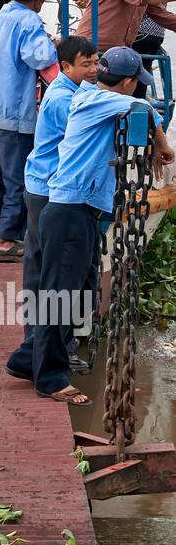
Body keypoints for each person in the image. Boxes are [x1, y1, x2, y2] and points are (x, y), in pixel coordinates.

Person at [25, 47, 173, 404]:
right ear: (127, 82)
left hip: (82, 212)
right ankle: (50, 379)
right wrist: (163, 144)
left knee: (80, 293)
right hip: (70, 211)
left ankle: (24, 359)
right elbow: (146, 108)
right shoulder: (98, 101)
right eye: (137, 83)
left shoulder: (92, 97)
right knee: (58, 298)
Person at [5, 35, 99, 388]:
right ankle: (41, 360)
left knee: (43, 272)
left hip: (40, 187)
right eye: (85, 64)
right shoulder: (65, 101)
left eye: (96, 63)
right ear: (67, 66)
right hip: (51, 193)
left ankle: (33, 350)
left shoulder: (69, 92)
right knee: (59, 279)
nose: (92, 70)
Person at [0, 0, 58, 257]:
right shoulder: (29, 20)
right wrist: (55, 45)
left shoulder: (5, 14)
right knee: (17, 180)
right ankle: (5, 239)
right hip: (13, 113)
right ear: (37, 0)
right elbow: (40, 57)